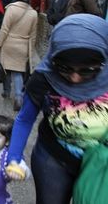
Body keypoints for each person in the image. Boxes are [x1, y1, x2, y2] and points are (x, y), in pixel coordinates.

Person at [6, 14, 108, 204]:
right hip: (53, 159)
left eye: (87, 71)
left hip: (100, 164)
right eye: (65, 69)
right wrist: (14, 157)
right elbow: (25, 119)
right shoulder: (43, 78)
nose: (75, 78)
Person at [0, 0, 38, 111]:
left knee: (5, 69)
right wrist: (30, 53)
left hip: (8, 45)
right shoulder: (33, 13)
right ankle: (18, 97)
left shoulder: (11, 9)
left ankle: (6, 91)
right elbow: (33, 36)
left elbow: (4, 29)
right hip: (23, 47)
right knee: (18, 73)